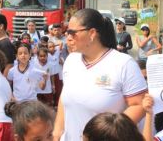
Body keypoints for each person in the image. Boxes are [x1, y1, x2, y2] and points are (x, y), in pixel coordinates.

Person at [53, 8, 147, 141]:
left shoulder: (123, 64)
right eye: (67, 32)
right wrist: (57, 131)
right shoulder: (71, 60)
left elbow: (139, 105)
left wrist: (109, 134)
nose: (68, 38)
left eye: (72, 33)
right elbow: (64, 97)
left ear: (92, 33)